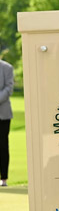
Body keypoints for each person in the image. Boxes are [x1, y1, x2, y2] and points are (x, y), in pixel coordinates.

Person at [0, 59, 14, 187]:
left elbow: (9, 88)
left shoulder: (7, 67)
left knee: (3, 146)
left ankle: (3, 178)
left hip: (3, 115)